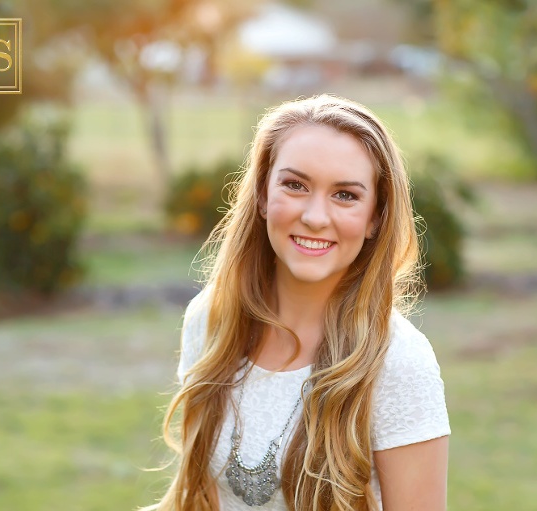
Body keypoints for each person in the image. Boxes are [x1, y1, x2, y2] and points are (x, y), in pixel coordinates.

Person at [147, 94, 450, 511]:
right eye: (295, 185)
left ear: (375, 218)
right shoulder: (210, 319)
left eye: (345, 195)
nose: (314, 216)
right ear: (262, 195)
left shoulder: (399, 363)